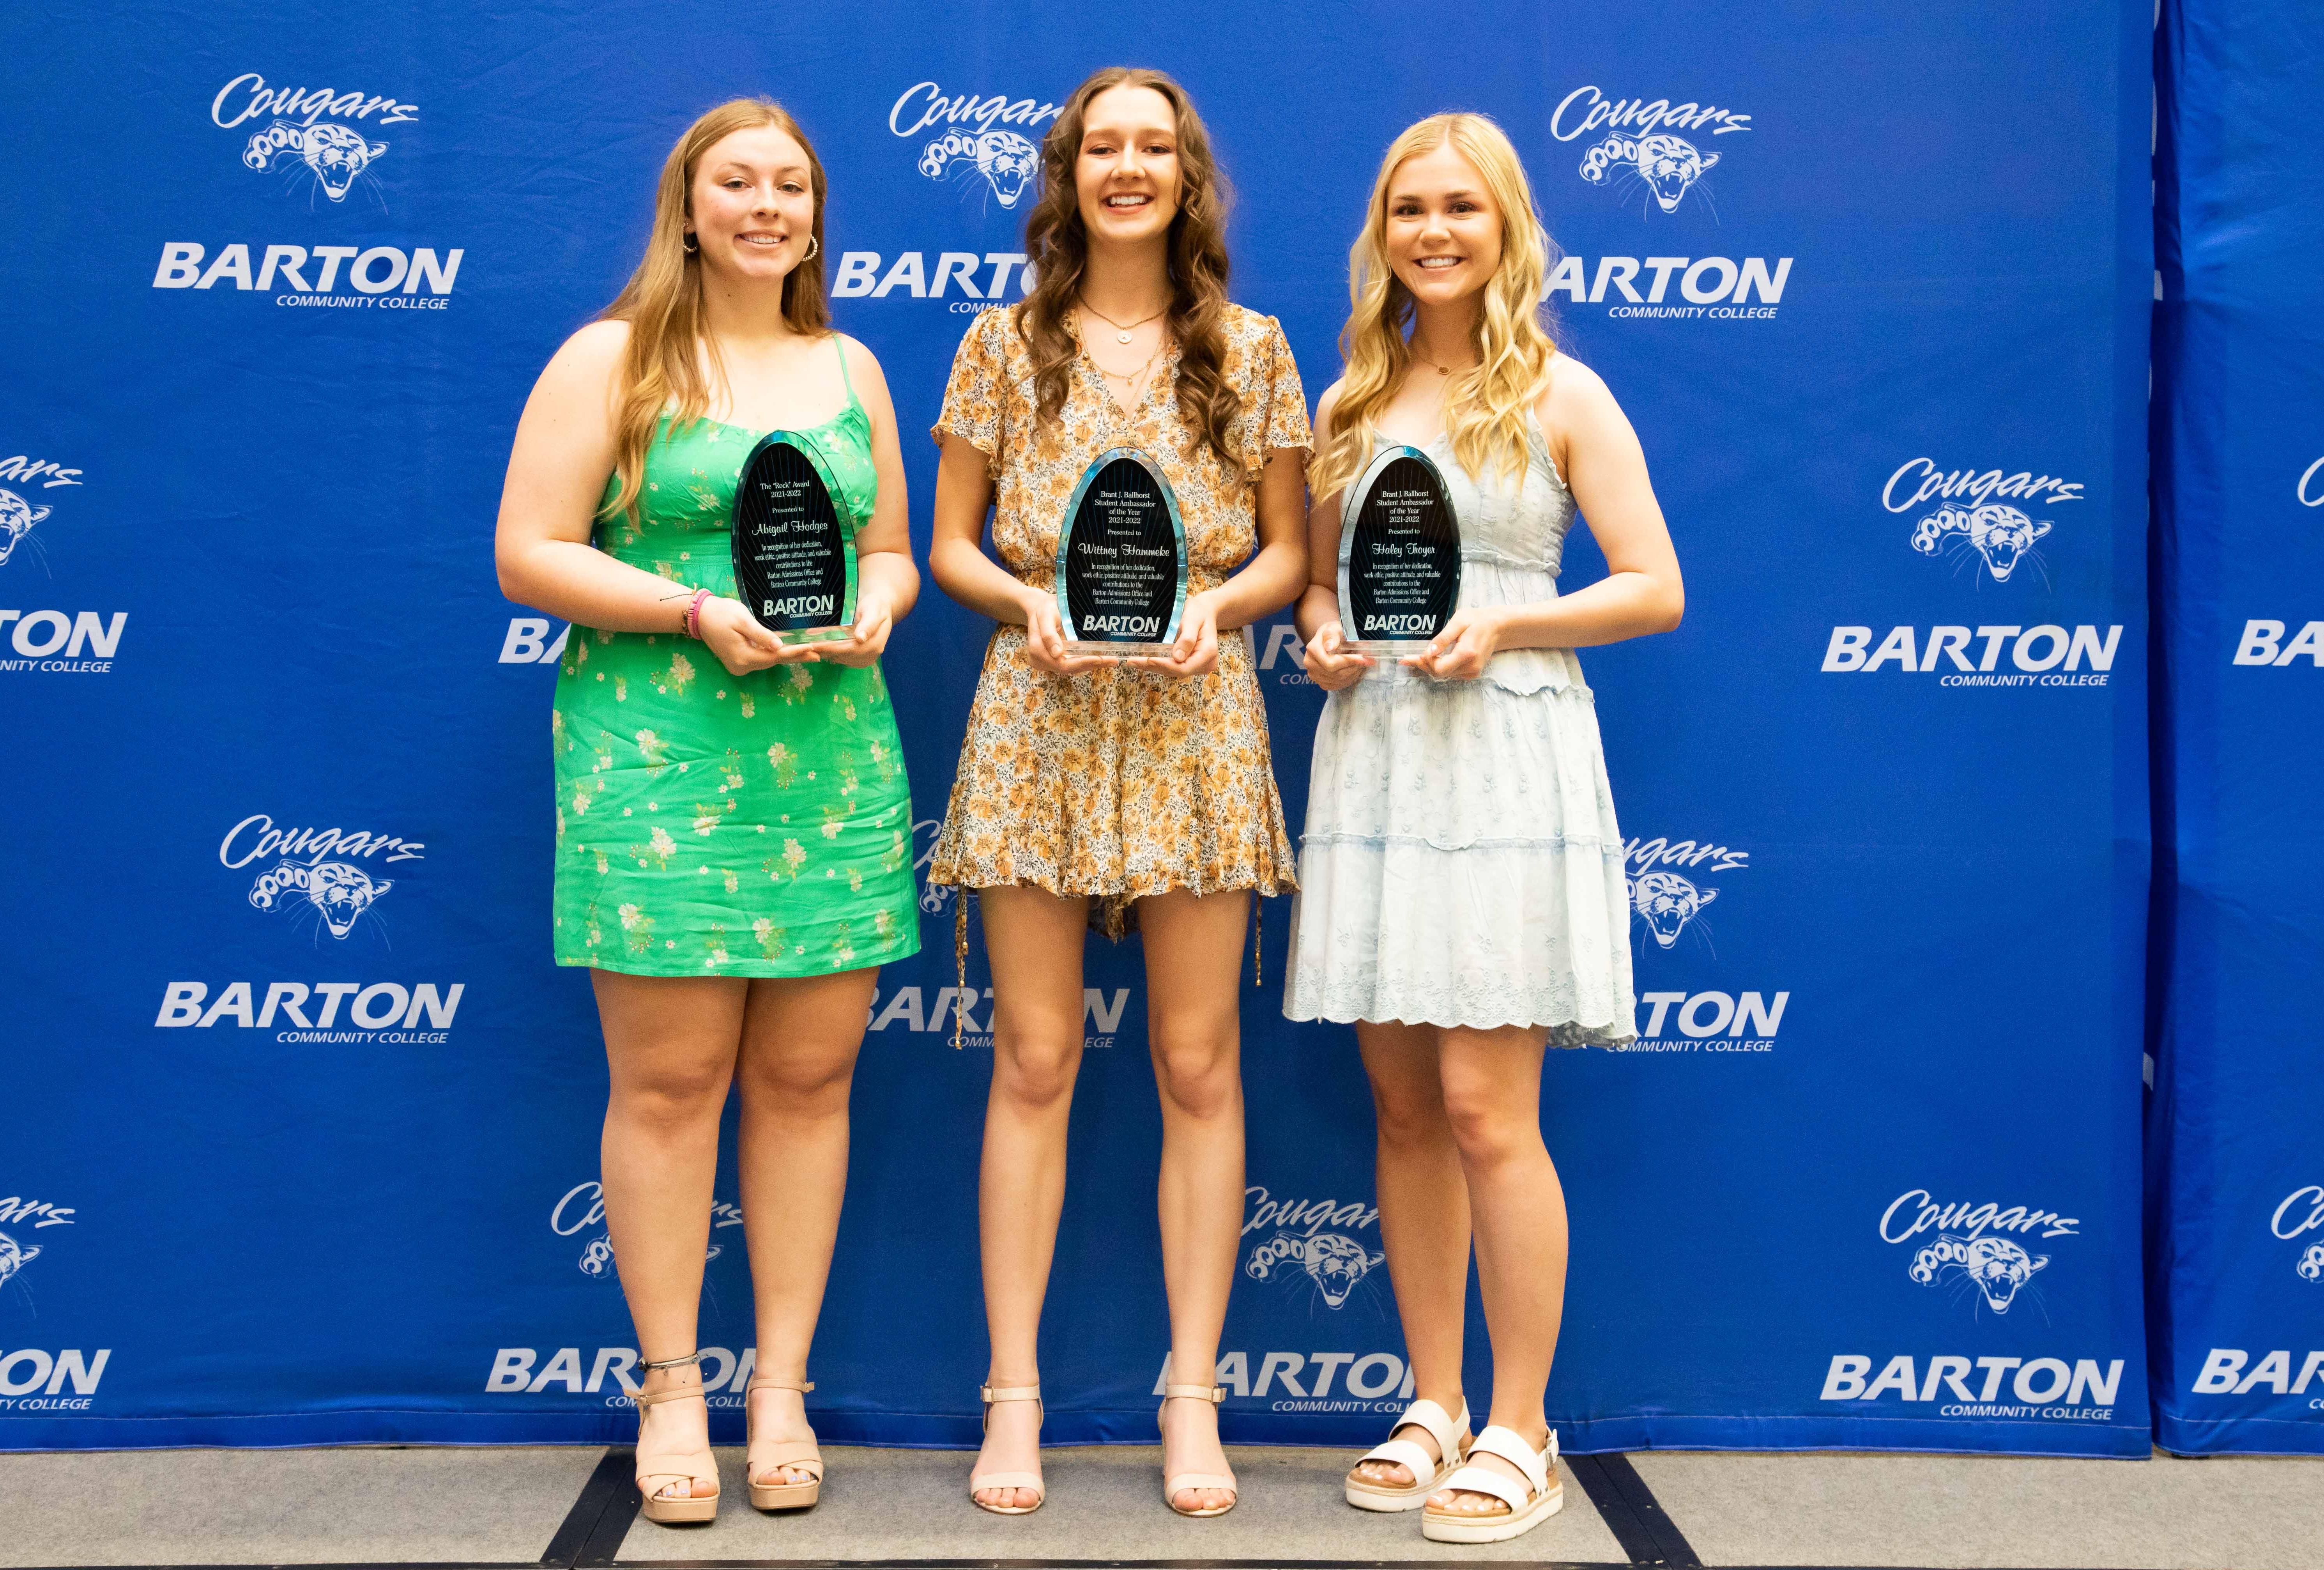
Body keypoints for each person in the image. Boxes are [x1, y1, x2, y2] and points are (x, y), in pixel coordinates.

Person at [494, 97, 920, 1526]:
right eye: (735, 181)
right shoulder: (611, 357)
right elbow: (528, 551)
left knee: (809, 1084)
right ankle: (671, 1385)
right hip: (655, 755)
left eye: (791, 185)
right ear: (687, 204)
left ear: (813, 214)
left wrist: (871, 609)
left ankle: (781, 1386)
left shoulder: (848, 362)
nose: (766, 205)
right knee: (669, 1087)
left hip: (832, 756)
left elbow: (891, 549)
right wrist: (691, 607)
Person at [1284, 112, 1683, 1546]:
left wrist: (1505, 619)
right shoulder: (1347, 402)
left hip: (1510, 750)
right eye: (1408, 209)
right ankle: (1434, 1397)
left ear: (1507, 225)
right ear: (1379, 233)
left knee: (1484, 1111)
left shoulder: (1565, 392)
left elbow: (1651, 586)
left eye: (1460, 206)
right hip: (1380, 757)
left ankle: (1525, 1424)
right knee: (1401, 1107)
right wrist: (1325, 636)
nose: (1433, 231)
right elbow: (1320, 591)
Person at [923, 65, 1311, 1519]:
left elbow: (1285, 551)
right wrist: (1026, 604)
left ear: (1188, 174)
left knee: (1199, 1067)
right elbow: (947, 541)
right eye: (1105, 147)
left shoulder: (1254, 348)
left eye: (1155, 147)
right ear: (1068, 173)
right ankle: (1011, 1397)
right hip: (1037, 715)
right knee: (1032, 1060)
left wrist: (1230, 608)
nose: (1129, 168)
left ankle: (1191, 1396)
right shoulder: (998, 342)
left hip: (1197, 722)